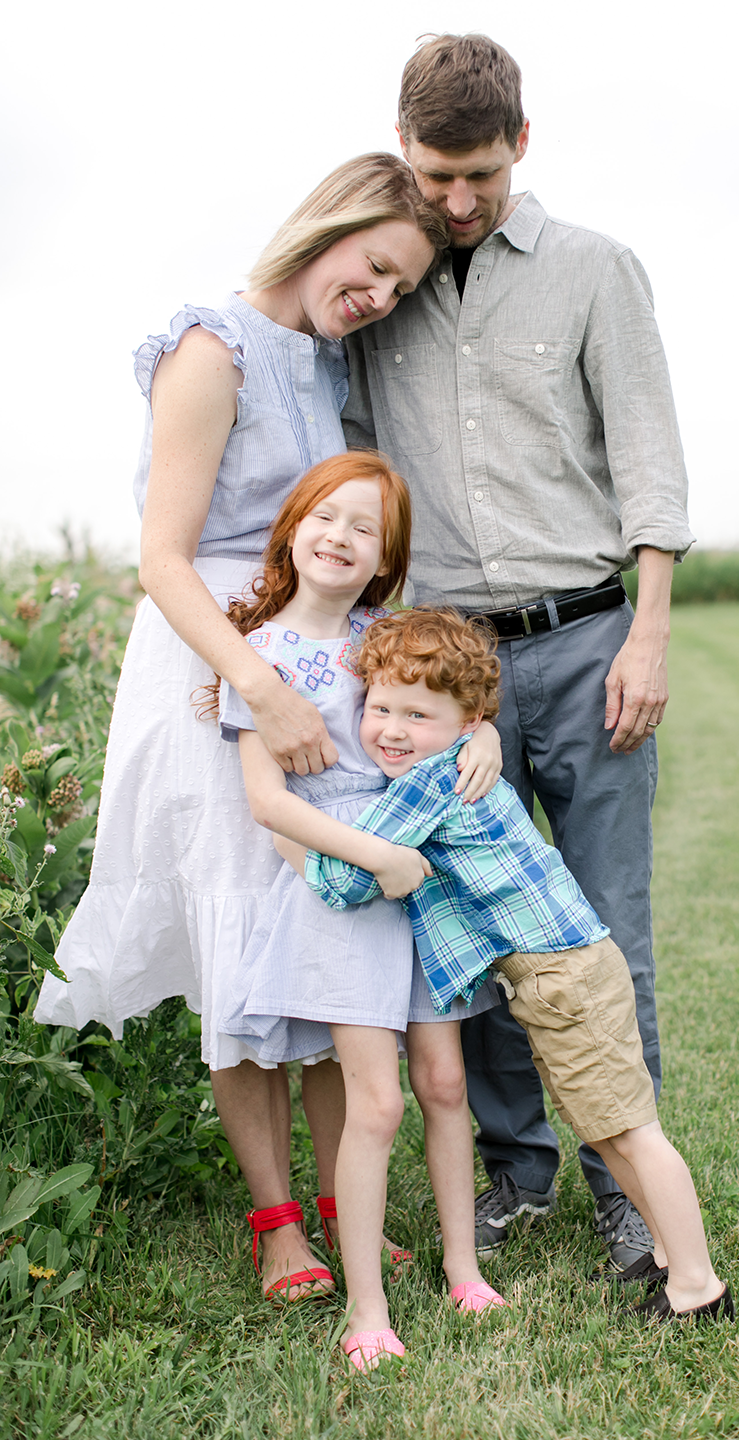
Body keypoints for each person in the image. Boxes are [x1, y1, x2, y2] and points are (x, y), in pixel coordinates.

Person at [34, 153, 461, 1306]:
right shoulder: (208, 348)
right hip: (214, 665)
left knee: (315, 919)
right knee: (240, 931)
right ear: (329, 226)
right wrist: (254, 682)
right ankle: (277, 1223)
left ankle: (341, 1201)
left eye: (401, 287)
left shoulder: (321, 363)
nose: (378, 296)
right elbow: (162, 558)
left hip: (311, 661)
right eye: (375, 264)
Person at [341, 35, 697, 1278]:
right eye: (435, 175)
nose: (456, 201)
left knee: (602, 933)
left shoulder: (597, 270)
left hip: (591, 640)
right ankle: (516, 1173)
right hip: (449, 667)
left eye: (479, 175)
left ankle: (623, 1185)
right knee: (469, 928)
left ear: (522, 145)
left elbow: (649, 459)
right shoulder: (381, 289)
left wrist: (648, 633)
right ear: (404, 151)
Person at [300, 608, 733, 1324]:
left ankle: (697, 1285)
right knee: (609, 1126)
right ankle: (670, 1255)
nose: (393, 730)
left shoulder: (429, 782)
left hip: (562, 980)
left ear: (470, 723)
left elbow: (346, 878)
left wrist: (287, 832)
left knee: (631, 1131)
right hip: (567, 972)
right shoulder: (455, 759)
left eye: (418, 714)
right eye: (379, 709)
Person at [217, 457, 505, 1370]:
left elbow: (453, 700)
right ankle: (367, 1310)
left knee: (445, 1082)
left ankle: (463, 1268)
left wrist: (487, 735)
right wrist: (376, 858)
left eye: (365, 529)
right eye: (326, 517)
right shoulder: (257, 657)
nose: (340, 538)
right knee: (375, 1102)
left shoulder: (385, 634)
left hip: (424, 875)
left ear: (387, 558)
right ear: (293, 527)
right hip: (347, 884)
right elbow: (268, 802)